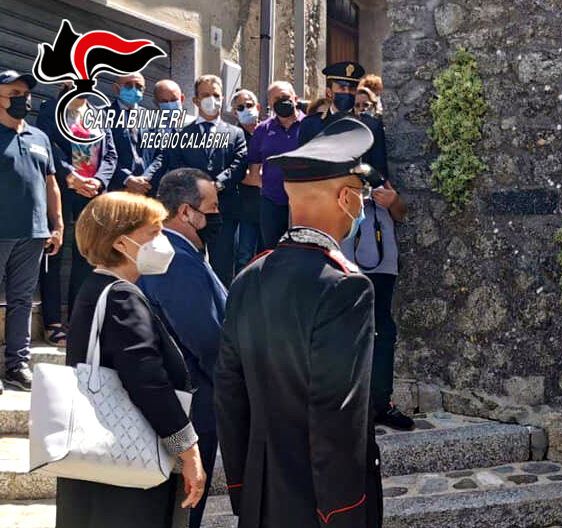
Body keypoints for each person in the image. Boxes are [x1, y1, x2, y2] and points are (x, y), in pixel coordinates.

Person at [215, 117, 382, 528]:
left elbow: (229, 394)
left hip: (260, 492)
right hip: (318, 500)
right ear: (345, 196)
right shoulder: (346, 287)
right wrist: (341, 512)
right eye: (360, 195)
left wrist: (242, 487)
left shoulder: (248, 277)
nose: (361, 206)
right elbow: (337, 412)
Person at [56, 191, 206, 528]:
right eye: (153, 234)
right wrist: (188, 448)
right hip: (128, 466)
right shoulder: (121, 295)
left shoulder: (95, 287)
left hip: (100, 462)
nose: (162, 242)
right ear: (122, 244)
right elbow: (147, 380)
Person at [138, 168, 226, 528]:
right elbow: (205, 338)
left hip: (188, 404)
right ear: (186, 212)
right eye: (212, 207)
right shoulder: (174, 259)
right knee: (182, 512)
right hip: (191, 408)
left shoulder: (179, 252)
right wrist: (235, 385)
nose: (219, 215)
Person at [341, 76, 413, 430]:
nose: (362, 111)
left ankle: (381, 402)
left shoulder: (382, 170)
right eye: (356, 104)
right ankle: (349, 406)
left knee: (383, 330)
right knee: (346, 330)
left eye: (367, 105)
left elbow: (400, 213)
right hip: (344, 258)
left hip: (382, 260)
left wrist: (392, 200)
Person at [35, 83, 118, 346]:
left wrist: (100, 182)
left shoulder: (98, 113)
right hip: (60, 188)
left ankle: (77, 318)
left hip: (92, 193)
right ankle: (53, 322)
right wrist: (71, 176)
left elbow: (111, 154)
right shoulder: (50, 110)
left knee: (86, 254)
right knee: (53, 252)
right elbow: (48, 147)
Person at [0, 70, 63, 392]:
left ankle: (16, 365)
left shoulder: (39, 138)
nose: (22, 99)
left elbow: (51, 183)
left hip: (34, 234)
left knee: (22, 301)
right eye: (14, 93)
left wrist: (58, 223)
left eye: (25, 93)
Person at [165, 74, 248, 285]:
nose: (212, 99)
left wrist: (216, 184)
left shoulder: (236, 133)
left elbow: (239, 163)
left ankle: (224, 312)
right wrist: (198, 187)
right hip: (190, 212)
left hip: (224, 211)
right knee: (189, 263)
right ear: (195, 100)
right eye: (206, 95)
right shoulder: (182, 134)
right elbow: (176, 166)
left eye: (216, 95)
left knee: (223, 266)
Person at [247, 81, 303, 250]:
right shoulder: (262, 130)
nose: (282, 101)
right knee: (272, 251)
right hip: (272, 202)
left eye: (285, 97)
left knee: (301, 251)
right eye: (276, 99)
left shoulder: (309, 126)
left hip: (304, 203)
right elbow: (254, 168)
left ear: (295, 98)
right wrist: (266, 187)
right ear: (270, 104)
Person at [140, 79, 194, 192]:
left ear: (182, 99)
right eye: (164, 101)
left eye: (174, 100)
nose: (170, 105)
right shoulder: (149, 128)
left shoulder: (195, 125)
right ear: (156, 103)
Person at [230, 88, 263, 269]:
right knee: (244, 256)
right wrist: (259, 179)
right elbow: (237, 172)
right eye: (240, 107)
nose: (246, 110)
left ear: (258, 107)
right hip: (245, 209)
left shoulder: (267, 131)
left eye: (249, 105)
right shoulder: (233, 135)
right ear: (235, 112)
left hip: (268, 206)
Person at [297, 61, 365, 146]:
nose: (347, 92)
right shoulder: (311, 125)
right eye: (342, 88)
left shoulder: (369, 125)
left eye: (352, 88)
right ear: (329, 92)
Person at [107, 72, 151, 194]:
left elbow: (159, 154)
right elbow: (102, 154)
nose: (134, 89)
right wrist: (127, 178)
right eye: (128, 85)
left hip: (147, 188)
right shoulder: (103, 115)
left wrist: (146, 177)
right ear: (116, 88)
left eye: (138, 86)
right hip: (116, 189)